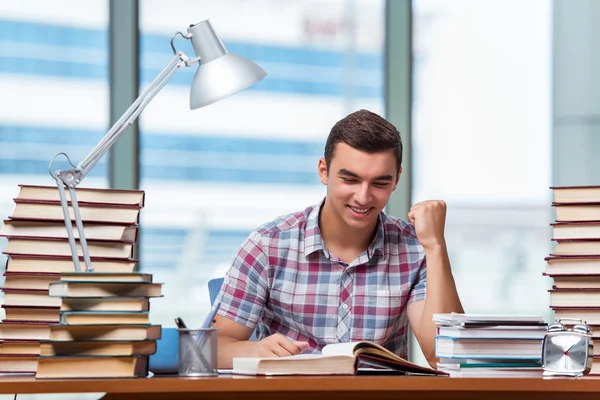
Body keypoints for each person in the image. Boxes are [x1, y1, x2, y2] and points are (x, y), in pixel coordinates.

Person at [213, 109, 464, 369]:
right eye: (350, 179)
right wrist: (254, 349)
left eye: (379, 183)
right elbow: (212, 348)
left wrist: (435, 246)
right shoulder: (268, 245)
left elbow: (445, 356)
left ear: (397, 179)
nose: (363, 197)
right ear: (324, 171)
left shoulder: (413, 248)